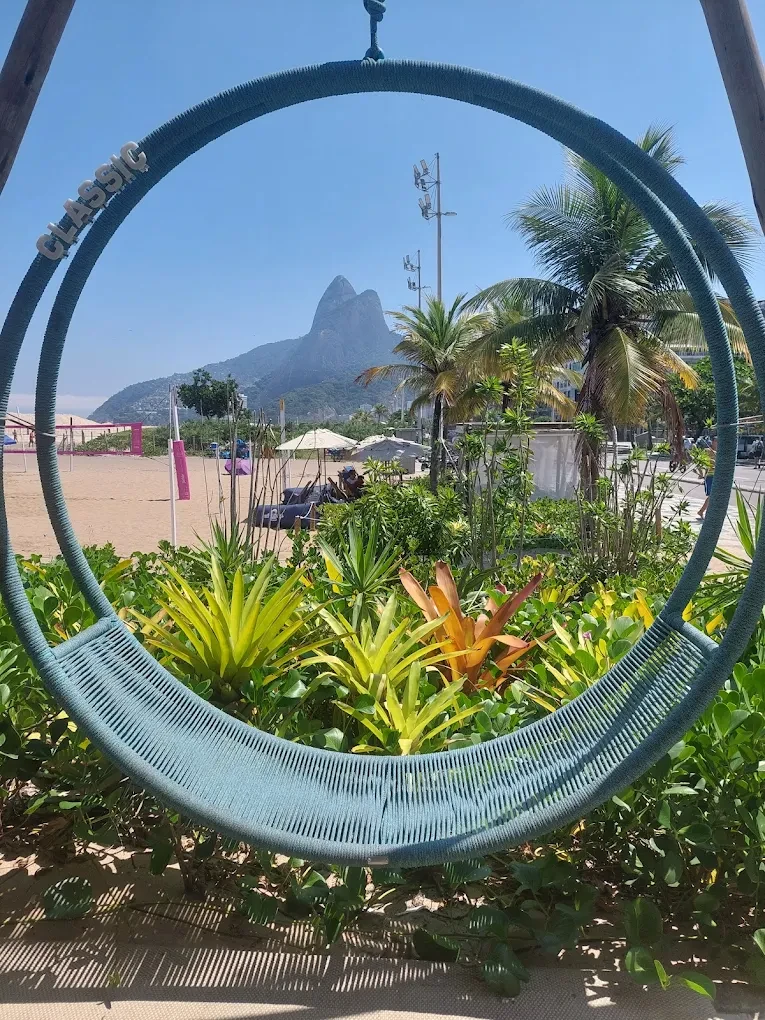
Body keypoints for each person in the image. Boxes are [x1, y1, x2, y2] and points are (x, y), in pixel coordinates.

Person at [697, 436, 717, 521]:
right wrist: (701, 473)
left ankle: (703, 511)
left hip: (716, 476)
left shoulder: (718, 452)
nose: (718, 443)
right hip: (709, 476)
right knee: (711, 496)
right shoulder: (707, 451)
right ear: (712, 442)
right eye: (716, 441)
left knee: (714, 496)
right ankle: (702, 511)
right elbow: (699, 461)